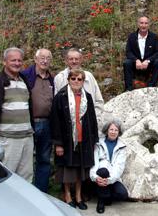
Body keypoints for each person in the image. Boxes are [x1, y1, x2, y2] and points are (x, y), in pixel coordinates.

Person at [51, 68, 99, 210]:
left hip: (82, 139)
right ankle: (67, 195)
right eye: (73, 79)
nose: (76, 81)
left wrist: (94, 139)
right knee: (67, 170)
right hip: (66, 140)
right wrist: (58, 144)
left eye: (79, 79)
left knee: (79, 169)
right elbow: (55, 121)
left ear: (83, 81)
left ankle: (78, 196)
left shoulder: (87, 97)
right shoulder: (60, 96)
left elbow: (92, 119)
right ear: (68, 80)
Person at [0, 47, 34, 182]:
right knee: (7, 179)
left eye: (19, 60)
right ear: (4, 62)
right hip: (7, 139)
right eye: (13, 60)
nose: (17, 63)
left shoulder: (24, 81)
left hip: (27, 138)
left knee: (26, 178)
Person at [21, 48, 54, 192]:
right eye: (42, 57)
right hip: (29, 123)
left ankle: (41, 192)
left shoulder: (52, 79)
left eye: (48, 58)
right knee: (26, 161)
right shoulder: (25, 76)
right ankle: (26, 193)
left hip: (47, 124)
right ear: (35, 59)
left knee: (44, 160)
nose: (45, 60)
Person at [54, 48, 104, 133]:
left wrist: (94, 118)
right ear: (66, 60)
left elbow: (99, 101)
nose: (74, 61)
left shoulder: (89, 77)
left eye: (76, 59)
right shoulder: (60, 78)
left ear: (81, 60)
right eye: (71, 59)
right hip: (67, 127)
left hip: (88, 124)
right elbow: (56, 106)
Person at [90, 120, 128, 214]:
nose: (113, 132)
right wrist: (95, 177)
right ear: (107, 130)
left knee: (123, 194)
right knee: (103, 171)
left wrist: (109, 180)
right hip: (100, 174)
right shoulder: (98, 144)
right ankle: (101, 201)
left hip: (113, 177)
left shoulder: (122, 147)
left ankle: (106, 196)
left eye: (116, 130)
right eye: (111, 129)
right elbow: (94, 163)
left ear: (119, 132)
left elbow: (119, 168)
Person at [123, 16, 158, 91]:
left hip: (149, 65)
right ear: (138, 24)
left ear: (149, 25)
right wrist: (136, 60)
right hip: (136, 65)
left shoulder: (154, 37)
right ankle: (129, 89)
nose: (143, 25)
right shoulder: (132, 36)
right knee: (127, 63)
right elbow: (128, 52)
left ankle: (151, 86)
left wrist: (148, 61)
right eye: (141, 23)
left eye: (146, 23)